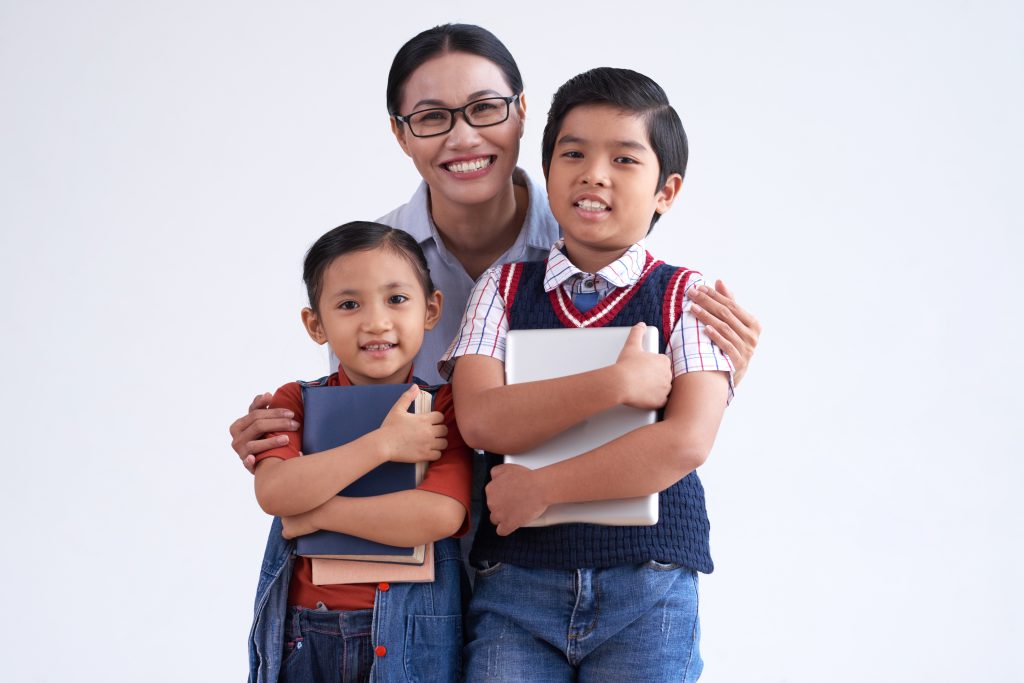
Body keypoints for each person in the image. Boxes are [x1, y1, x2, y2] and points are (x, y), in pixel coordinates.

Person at [229, 24, 761, 472]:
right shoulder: (363, 264)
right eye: (432, 117)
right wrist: (285, 436)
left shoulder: (598, 240)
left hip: (558, 524)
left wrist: (711, 378)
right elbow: (354, 401)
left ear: (521, 112)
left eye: (485, 108)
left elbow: (669, 424)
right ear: (400, 133)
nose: (463, 138)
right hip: (420, 527)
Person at [444, 67, 730, 681]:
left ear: (666, 191)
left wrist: (544, 486)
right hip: (516, 587)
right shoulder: (502, 287)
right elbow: (482, 420)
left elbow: (685, 441)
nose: (594, 173)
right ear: (547, 171)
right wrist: (614, 385)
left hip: (648, 584)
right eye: (573, 153)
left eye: (624, 159)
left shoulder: (687, 295)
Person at [248, 222, 472, 683]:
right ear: (316, 324)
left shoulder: (446, 404)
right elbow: (276, 492)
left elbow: (439, 515)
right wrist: (384, 444)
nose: (376, 322)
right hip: (309, 629)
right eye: (349, 305)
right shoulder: (296, 400)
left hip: (413, 632)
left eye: (397, 299)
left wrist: (315, 514)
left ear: (431, 309)